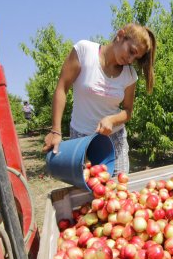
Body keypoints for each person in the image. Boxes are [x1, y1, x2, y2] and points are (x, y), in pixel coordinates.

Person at [42, 23, 156, 175]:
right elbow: (62, 88)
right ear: (120, 35)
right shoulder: (84, 51)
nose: (130, 59)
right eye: (131, 51)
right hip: (81, 138)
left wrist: (112, 120)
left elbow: (128, 112)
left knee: (118, 190)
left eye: (136, 57)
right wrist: (56, 131)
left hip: (114, 140)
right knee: (87, 191)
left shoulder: (129, 75)